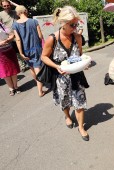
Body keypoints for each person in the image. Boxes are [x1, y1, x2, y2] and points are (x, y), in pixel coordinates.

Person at [41, 6, 90, 141]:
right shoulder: (53, 39)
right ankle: (67, 116)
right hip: (61, 77)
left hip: (77, 77)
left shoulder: (78, 37)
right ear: (63, 23)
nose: (75, 27)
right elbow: (44, 57)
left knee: (80, 102)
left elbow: (80, 54)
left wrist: (85, 63)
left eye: (76, 24)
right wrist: (56, 66)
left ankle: (81, 127)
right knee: (65, 101)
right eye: (72, 24)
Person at [12, 5, 45, 97]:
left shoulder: (15, 25)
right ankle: (40, 91)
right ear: (25, 11)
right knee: (37, 67)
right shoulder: (34, 21)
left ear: (18, 13)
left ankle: (38, 83)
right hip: (36, 48)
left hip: (25, 50)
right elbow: (40, 36)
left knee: (32, 68)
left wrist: (21, 52)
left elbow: (17, 39)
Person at [0, 0, 28, 72]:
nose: (7, 7)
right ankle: (22, 66)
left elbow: (24, 10)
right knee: (15, 52)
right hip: (9, 37)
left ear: (10, 5)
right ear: (2, 6)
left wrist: (13, 3)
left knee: (23, 49)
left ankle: (26, 62)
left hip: (20, 34)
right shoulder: (1, 14)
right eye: (4, 6)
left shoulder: (15, 12)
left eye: (8, 5)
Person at [0, 22, 20, 96]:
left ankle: (15, 86)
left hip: (9, 49)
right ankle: (11, 88)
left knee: (13, 68)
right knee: (4, 70)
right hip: (1, 53)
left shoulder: (1, 24)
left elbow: (11, 34)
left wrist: (9, 39)